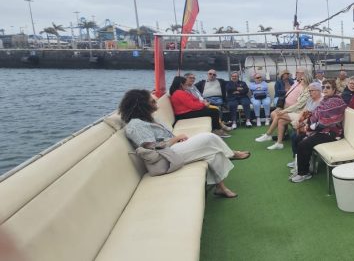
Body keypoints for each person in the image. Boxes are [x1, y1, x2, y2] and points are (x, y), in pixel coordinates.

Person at [120, 89, 250, 198]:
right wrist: (176, 139)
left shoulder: (148, 119)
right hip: (164, 158)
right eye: (152, 101)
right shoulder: (136, 125)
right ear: (142, 105)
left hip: (172, 150)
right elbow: (152, 148)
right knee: (208, 137)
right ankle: (231, 154)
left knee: (212, 153)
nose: (156, 102)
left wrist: (176, 139)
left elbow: (162, 138)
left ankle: (221, 188)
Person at [290, 80, 348, 183]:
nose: (325, 89)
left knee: (304, 143)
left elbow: (325, 122)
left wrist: (309, 128)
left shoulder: (336, 102)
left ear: (334, 90)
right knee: (298, 138)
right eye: (323, 87)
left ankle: (304, 173)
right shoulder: (325, 100)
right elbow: (315, 116)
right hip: (321, 130)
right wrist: (307, 125)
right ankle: (301, 167)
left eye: (328, 87)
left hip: (332, 133)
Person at [257, 79, 322, 150]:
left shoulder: (316, 99)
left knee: (279, 115)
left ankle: (268, 134)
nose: (300, 80)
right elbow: (304, 110)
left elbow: (299, 106)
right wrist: (298, 118)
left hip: (304, 117)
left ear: (318, 91)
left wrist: (286, 112)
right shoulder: (308, 96)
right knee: (281, 120)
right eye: (310, 91)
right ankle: (279, 143)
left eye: (312, 91)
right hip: (301, 114)